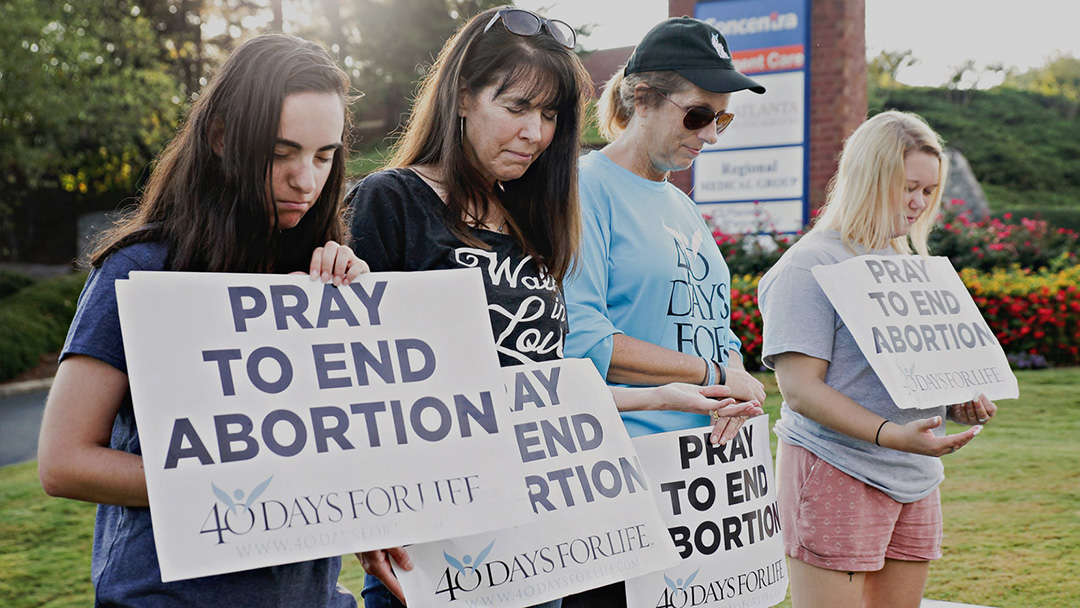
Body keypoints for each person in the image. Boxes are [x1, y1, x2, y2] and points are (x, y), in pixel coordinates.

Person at [345, 8, 762, 608]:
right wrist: (370, 513)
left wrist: (663, 394)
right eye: (516, 108)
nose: (535, 134)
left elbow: (542, 388)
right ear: (462, 97)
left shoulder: (535, 216)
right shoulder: (391, 200)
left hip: (543, 538)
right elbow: (355, 386)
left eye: (549, 115)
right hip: (440, 547)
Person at [37, 33, 366, 606]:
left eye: (323, 155)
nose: (305, 181)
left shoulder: (313, 271)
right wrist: (247, 491)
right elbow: (63, 463)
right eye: (280, 152)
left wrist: (350, 304)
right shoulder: (140, 270)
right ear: (220, 138)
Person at [560, 17, 772, 607]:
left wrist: (737, 379)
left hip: (701, 486)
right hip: (624, 485)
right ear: (640, 98)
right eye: (699, 114)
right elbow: (585, 344)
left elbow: (714, 329)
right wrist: (710, 375)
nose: (710, 134)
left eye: (721, 118)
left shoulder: (682, 204)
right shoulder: (582, 186)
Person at [757, 110, 998, 608]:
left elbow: (908, 374)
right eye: (908, 187)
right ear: (869, 177)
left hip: (915, 475)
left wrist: (957, 401)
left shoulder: (909, 266)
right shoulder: (808, 266)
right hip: (836, 469)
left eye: (929, 192)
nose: (918, 204)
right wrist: (891, 434)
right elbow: (800, 389)